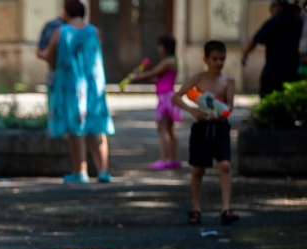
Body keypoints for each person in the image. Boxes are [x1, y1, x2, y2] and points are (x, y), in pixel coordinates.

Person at [45, 0, 114, 183]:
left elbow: (51, 58)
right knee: (97, 128)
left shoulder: (61, 32)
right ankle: (103, 171)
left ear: (67, 13)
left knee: (76, 130)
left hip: (71, 86)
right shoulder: (94, 31)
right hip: (94, 86)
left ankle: (80, 172)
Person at [173, 41, 239, 226]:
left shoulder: (228, 80)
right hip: (202, 127)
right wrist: (194, 111)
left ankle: (226, 209)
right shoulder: (197, 80)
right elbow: (177, 97)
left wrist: (219, 111)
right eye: (215, 59)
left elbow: (230, 106)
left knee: (225, 165)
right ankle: (196, 208)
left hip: (220, 127)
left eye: (222, 59)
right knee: (198, 169)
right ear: (206, 59)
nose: (219, 63)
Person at [128, 35, 182, 170]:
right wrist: (141, 76)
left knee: (162, 128)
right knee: (169, 128)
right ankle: (173, 159)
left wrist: (137, 76)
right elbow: (157, 77)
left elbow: (152, 73)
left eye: (160, 46)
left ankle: (165, 159)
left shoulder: (168, 61)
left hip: (165, 98)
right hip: (168, 96)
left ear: (166, 47)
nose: (159, 49)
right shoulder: (172, 61)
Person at [242, 0, 303, 97]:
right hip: (292, 71)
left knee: (267, 101)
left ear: (277, 6)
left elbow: (254, 41)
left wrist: (245, 56)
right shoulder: (298, 21)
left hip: (273, 72)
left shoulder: (272, 22)